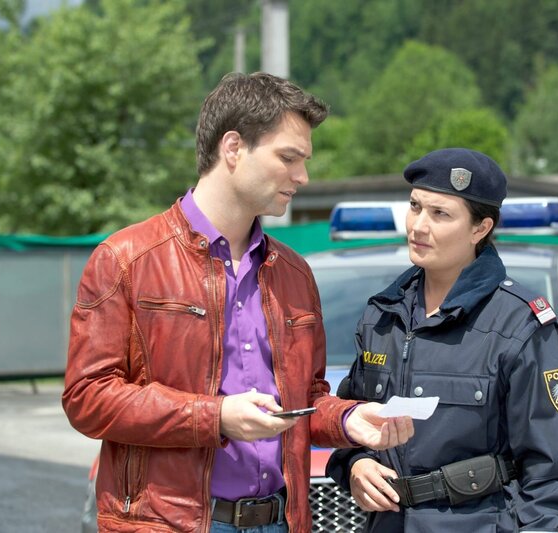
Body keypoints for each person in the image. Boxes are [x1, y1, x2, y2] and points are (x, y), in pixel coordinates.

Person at [62, 72, 414, 533]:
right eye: (289, 157)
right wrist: (216, 416)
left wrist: (349, 419)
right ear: (232, 148)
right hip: (173, 524)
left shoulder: (293, 272)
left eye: (304, 161)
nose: (303, 176)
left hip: (280, 520)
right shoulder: (126, 259)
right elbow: (87, 398)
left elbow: (305, 401)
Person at [326, 148, 558, 532]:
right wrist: (355, 464)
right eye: (415, 207)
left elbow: (553, 478)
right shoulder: (382, 317)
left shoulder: (523, 326)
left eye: (441, 214)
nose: (418, 226)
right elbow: (349, 417)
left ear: (479, 228)